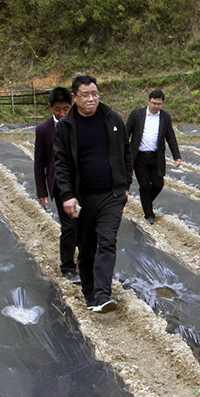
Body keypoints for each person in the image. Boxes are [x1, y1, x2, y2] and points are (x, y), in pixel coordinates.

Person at [54, 75, 133, 313]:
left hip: (111, 195)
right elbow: (61, 165)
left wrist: (125, 184)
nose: (91, 99)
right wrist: (67, 195)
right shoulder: (66, 127)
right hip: (82, 197)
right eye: (86, 95)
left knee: (107, 242)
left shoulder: (113, 119)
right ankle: (90, 293)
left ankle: (103, 295)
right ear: (74, 97)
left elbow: (126, 152)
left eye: (95, 94)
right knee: (87, 247)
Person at [34, 86, 80, 284]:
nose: (62, 113)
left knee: (83, 225)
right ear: (50, 107)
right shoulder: (44, 129)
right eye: (57, 109)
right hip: (60, 185)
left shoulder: (78, 123)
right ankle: (68, 266)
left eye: (66, 109)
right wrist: (42, 190)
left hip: (81, 183)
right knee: (69, 226)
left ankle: (87, 262)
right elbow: (39, 162)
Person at [125, 89, 181, 224]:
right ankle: (149, 214)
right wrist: (123, 153)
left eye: (159, 104)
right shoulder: (136, 114)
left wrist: (176, 156)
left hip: (156, 157)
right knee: (144, 185)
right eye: (154, 103)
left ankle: (146, 202)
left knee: (158, 184)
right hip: (140, 157)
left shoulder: (165, 117)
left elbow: (171, 137)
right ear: (148, 101)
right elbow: (126, 133)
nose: (156, 106)